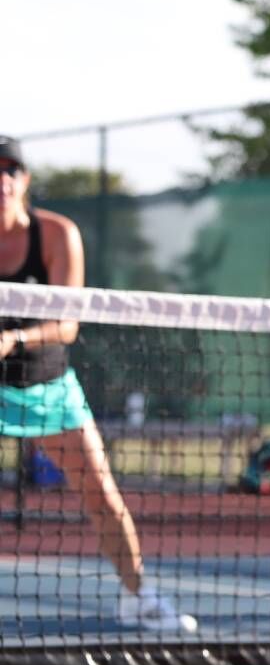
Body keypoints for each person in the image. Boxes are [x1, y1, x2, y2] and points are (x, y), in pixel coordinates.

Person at [0, 136, 196, 633]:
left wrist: (15, 339)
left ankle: (138, 597)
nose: (1, 181)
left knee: (101, 493)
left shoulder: (57, 235)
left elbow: (68, 324)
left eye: (10, 171)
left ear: (24, 182)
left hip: (47, 384)